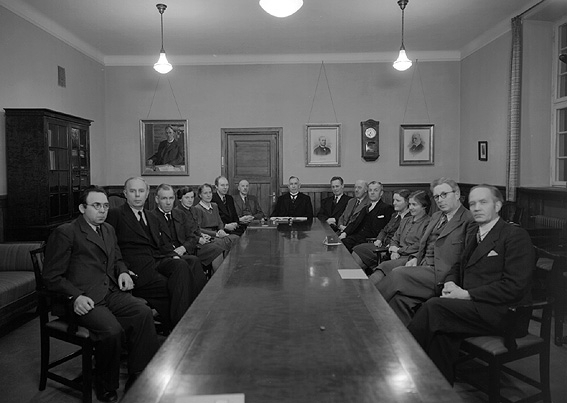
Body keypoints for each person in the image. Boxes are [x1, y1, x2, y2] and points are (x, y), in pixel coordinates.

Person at [407, 185, 534, 384]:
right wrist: (450, 283)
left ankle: (402, 362)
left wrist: (466, 294)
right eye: (472, 203)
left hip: (505, 312)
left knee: (434, 307)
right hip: (475, 307)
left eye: (483, 202)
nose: (476, 208)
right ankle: (437, 388)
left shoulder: (514, 235)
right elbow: (458, 265)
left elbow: (514, 286)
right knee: (441, 331)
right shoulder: (476, 231)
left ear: (497, 206)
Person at [43, 186, 158, 402]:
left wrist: (122, 272)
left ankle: (138, 373)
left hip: (109, 291)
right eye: (96, 206)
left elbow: (117, 258)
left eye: (105, 206)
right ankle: (105, 384)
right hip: (82, 299)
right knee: (111, 330)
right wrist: (74, 296)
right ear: (82, 208)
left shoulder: (108, 229)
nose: (103, 210)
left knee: (142, 312)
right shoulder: (66, 232)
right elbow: (51, 276)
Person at [376, 178, 474, 325]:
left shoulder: (469, 220)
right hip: (423, 266)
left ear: (457, 194)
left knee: (397, 274)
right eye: (437, 197)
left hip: (443, 274)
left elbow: (466, 258)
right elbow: (425, 245)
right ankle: (405, 338)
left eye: (444, 195)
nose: (440, 200)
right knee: (399, 301)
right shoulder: (436, 216)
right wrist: (416, 258)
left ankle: (364, 309)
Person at [106, 177, 200, 330]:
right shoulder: (115, 214)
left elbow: (162, 245)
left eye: (141, 191)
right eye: (132, 191)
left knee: (182, 265)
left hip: (156, 260)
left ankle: (181, 324)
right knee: (177, 285)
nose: (137, 195)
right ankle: (182, 326)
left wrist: (173, 255)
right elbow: (111, 247)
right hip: (136, 268)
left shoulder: (151, 217)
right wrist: (122, 269)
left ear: (147, 193)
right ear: (125, 193)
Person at [367, 190, 431, 284]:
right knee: (382, 268)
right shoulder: (405, 220)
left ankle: (368, 289)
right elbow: (395, 238)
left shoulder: (428, 223)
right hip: (396, 254)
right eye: (409, 204)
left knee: (384, 266)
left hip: (411, 257)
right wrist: (394, 250)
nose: (411, 207)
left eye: (414, 205)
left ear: (424, 206)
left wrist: (399, 250)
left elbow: (420, 245)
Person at [151, 183, 208, 288]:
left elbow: (191, 237)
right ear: (157, 199)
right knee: (185, 264)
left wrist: (183, 248)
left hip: (183, 252)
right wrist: (173, 254)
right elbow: (156, 245)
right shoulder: (151, 217)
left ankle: (201, 295)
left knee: (194, 261)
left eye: (171, 198)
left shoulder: (180, 214)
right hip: (164, 258)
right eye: (164, 198)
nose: (168, 202)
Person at [351, 189, 412, 272]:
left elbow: (402, 237)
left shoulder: (409, 218)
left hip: (392, 248)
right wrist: (379, 239)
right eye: (394, 200)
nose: (394, 203)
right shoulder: (395, 215)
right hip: (382, 244)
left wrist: (392, 247)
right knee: (358, 249)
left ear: (407, 202)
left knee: (359, 251)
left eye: (398, 201)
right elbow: (384, 230)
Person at [175, 186, 225, 272]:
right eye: (187, 197)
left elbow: (196, 227)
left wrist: (202, 234)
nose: (190, 200)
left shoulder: (193, 209)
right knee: (216, 249)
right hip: (188, 245)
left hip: (197, 240)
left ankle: (217, 275)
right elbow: (183, 234)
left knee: (219, 245)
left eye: (192, 197)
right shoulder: (177, 212)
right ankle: (218, 277)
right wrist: (198, 239)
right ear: (180, 199)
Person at [338, 181, 394, 253]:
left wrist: (380, 239)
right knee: (341, 243)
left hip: (371, 241)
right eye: (370, 190)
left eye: (375, 190)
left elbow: (388, 228)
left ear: (381, 193)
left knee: (352, 248)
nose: (372, 192)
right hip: (357, 237)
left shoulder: (386, 208)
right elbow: (355, 223)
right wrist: (345, 233)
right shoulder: (365, 208)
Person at [192, 183, 239, 252]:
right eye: (205, 193)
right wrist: (216, 234)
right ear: (200, 195)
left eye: (210, 192)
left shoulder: (214, 205)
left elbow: (220, 222)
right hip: (208, 235)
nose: (208, 195)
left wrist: (221, 230)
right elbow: (198, 229)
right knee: (222, 243)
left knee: (236, 238)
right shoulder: (197, 208)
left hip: (218, 233)